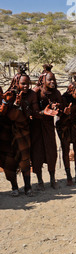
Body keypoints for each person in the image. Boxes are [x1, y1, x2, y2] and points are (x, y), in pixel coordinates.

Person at [0, 67, 41, 196]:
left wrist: (43, 112)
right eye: (23, 83)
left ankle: (28, 187)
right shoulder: (9, 94)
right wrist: (12, 103)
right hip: (8, 133)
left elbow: (35, 112)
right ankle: (14, 187)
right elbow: (4, 114)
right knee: (10, 161)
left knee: (25, 159)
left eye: (28, 83)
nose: (26, 86)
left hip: (23, 131)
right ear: (16, 83)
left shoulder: (32, 94)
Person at [31, 64, 63, 190]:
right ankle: (39, 180)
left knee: (51, 152)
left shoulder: (56, 93)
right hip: (37, 126)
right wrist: (42, 112)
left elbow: (59, 111)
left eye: (54, 79)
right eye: (50, 80)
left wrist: (57, 109)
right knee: (37, 152)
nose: (52, 82)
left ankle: (52, 179)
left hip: (49, 126)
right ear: (43, 80)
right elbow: (33, 111)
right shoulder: (36, 91)